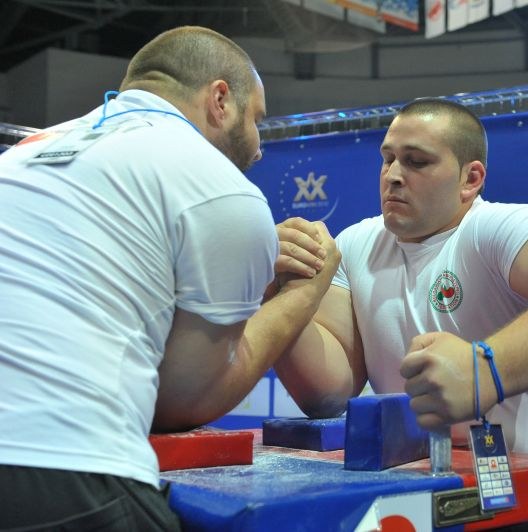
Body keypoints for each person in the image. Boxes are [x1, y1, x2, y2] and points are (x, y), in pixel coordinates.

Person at [0, 26, 337, 530]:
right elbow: (183, 402)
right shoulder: (221, 187)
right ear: (220, 99)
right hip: (63, 467)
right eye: (256, 120)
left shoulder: (18, 158)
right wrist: (304, 293)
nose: (261, 147)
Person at [273, 97, 528, 460]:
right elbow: (328, 395)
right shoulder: (356, 243)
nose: (392, 174)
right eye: (387, 158)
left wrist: (485, 370)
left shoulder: (492, 229)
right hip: (420, 485)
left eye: (416, 161)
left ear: (470, 179)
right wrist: (277, 291)